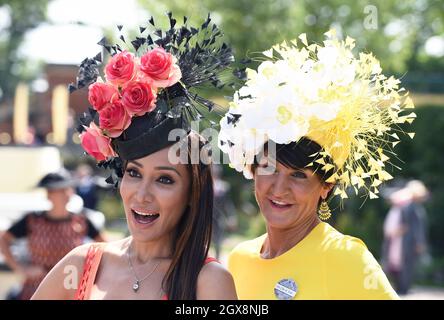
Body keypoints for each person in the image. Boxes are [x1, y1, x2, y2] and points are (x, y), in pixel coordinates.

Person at [32, 13, 238, 300]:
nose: (142, 194)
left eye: (164, 179)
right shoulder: (81, 266)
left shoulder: (207, 282)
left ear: (192, 192)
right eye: (134, 173)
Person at [218, 30, 416, 299]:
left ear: (326, 185)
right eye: (269, 168)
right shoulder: (239, 259)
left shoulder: (347, 258)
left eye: (299, 175)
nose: (279, 188)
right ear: (252, 170)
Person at [0, 170, 105, 300]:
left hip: (70, 290)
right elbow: (3, 240)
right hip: (36, 289)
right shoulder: (32, 220)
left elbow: (105, 247)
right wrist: (21, 268)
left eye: (68, 189)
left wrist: (91, 273)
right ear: (49, 194)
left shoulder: (81, 221)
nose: (67, 193)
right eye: (60, 190)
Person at [382, 180, 429, 295]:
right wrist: (419, 242)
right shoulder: (411, 208)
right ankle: (403, 288)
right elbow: (416, 227)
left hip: (403, 241)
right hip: (407, 242)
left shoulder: (405, 207)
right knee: (406, 265)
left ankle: (402, 288)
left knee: (403, 264)